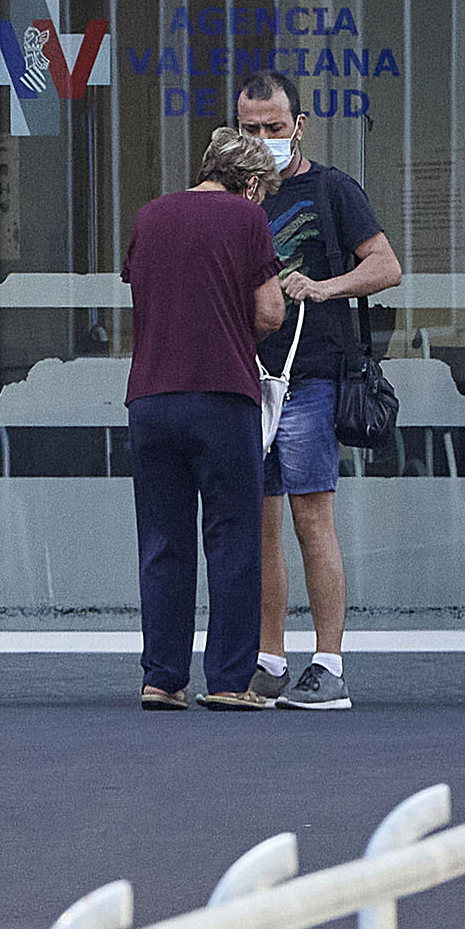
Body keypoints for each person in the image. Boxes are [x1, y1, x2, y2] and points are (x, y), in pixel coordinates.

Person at [232, 75, 401, 714]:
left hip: (311, 376)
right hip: (248, 379)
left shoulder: (332, 190)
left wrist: (323, 287)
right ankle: (270, 659)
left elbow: (386, 265)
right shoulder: (234, 196)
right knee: (260, 522)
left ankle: (328, 663)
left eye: (274, 128)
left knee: (311, 516)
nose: (262, 140)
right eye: (250, 129)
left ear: (299, 125)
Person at [122, 128, 287, 713]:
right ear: (248, 185)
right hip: (221, 394)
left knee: (164, 541)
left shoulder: (151, 216)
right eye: (262, 191)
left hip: (151, 397)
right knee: (233, 538)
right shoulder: (245, 221)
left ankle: (162, 678)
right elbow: (269, 309)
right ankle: (228, 680)